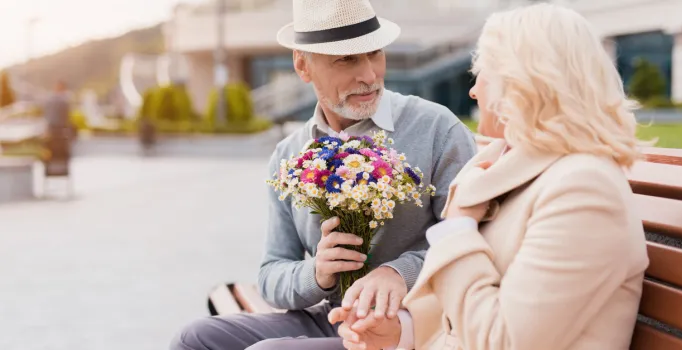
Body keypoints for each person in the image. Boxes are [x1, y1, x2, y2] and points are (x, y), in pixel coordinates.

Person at [329, 3, 650, 350]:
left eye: (483, 73)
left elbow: (504, 341)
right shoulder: (505, 167)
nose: (474, 90)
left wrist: (457, 228)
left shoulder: (584, 191)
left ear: (524, 83)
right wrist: (401, 330)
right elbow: (466, 303)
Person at [169, 0, 478, 349]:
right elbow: (271, 275)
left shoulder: (437, 128)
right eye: (346, 59)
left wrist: (399, 272)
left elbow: (473, 242)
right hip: (331, 316)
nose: (369, 74)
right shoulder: (288, 154)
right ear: (303, 66)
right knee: (195, 337)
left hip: (413, 323)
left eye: (374, 53)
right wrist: (317, 272)